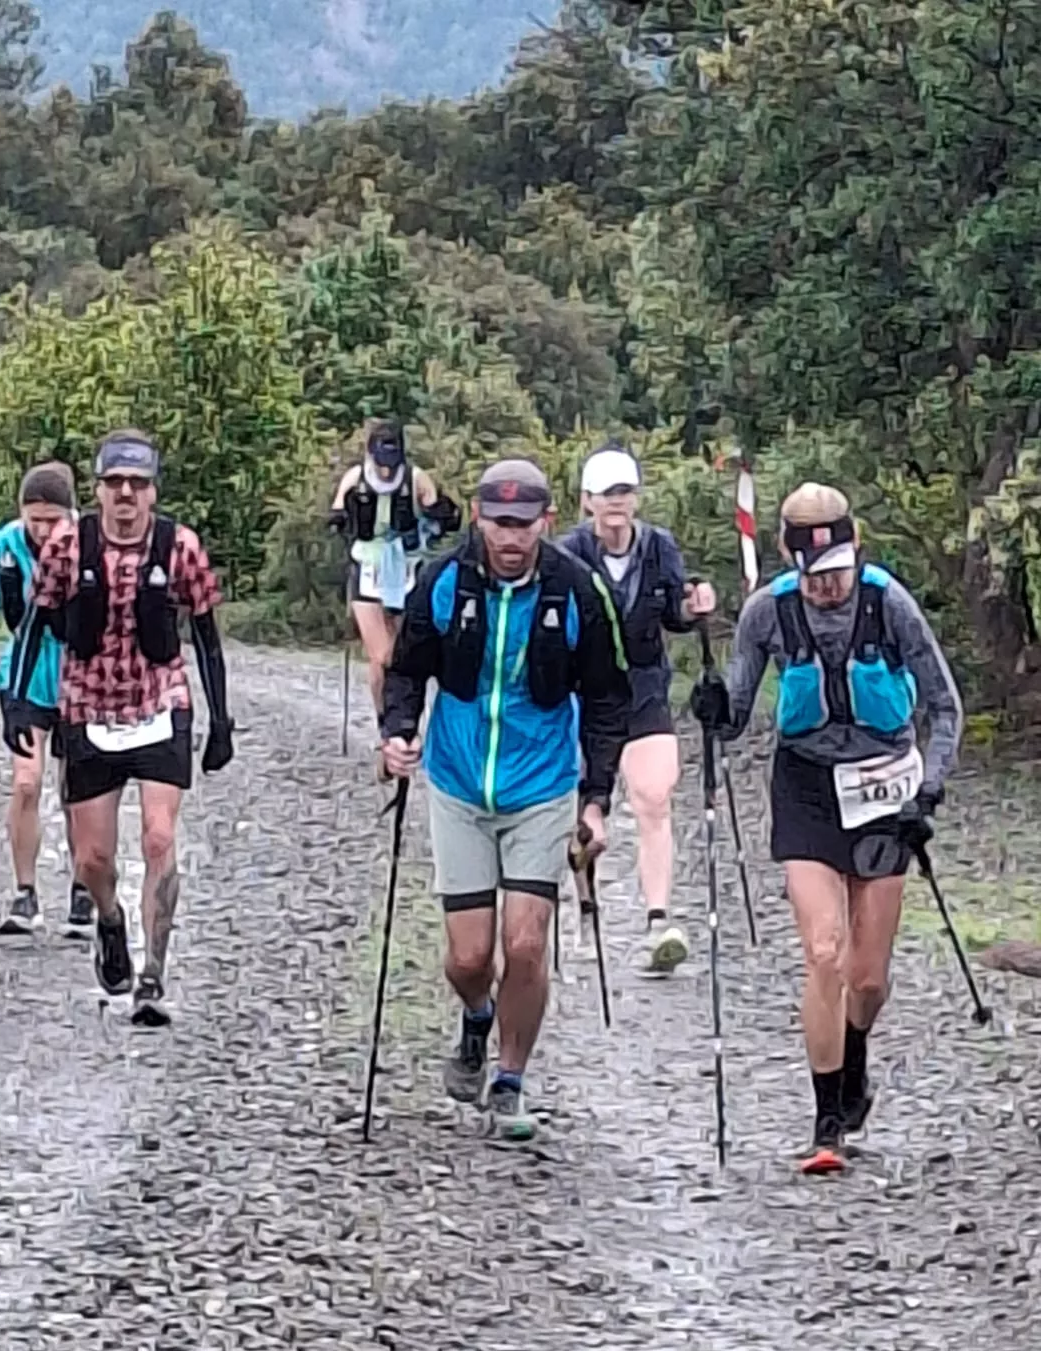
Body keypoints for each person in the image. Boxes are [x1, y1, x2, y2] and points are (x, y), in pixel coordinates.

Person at [691, 482, 963, 1175]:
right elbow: (736, 718)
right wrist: (713, 706)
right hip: (807, 786)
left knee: (867, 980)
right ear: (789, 560)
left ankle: (855, 1060)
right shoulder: (767, 613)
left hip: (886, 791)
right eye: (814, 576)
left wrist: (927, 791)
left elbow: (944, 706)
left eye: (838, 571)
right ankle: (826, 1122)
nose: (827, 588)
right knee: (824, 951)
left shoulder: (888, 603)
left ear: (856, 551)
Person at [380, 457, 631, 1140]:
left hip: (542, 786)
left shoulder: (575, 590)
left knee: (526, 943)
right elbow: (406, 671)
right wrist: (396, 734)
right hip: (458, 782)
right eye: (499, 523)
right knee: (469, 960)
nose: (511, 537)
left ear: (547, 522)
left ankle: (511, 1078)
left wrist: (596, 796)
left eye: (524, 525)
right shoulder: (444, 579)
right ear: (480, 519)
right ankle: (476, 1018)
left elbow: (610, 698)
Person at [4, 428, 235, 1027]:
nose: (126, 495)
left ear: (153, 492)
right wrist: (18, 705)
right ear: (99, 490)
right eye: (114, 484)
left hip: (161, 703)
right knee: (93, 859)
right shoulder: (65, 549)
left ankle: (153, 973)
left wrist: (221, 720)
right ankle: (110, 920)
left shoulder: (180, 547)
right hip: (87, 707)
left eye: (137, 484)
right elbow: (34, 626)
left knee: (159, 838)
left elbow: (207, 637)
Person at [559, 444, 716, 974]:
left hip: (647, 688)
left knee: (654, 797)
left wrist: (694, 609)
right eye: (606, 494)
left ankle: (657, 920)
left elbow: (674, 614)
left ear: (636, 498)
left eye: (624, 492)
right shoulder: (567, 554)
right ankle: (585, 908)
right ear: (587, 502)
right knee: (590, 824)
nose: (616, 503)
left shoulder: (659, 547)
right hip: (586, 694)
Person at [0, 461, 93, 938]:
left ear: (70, 514)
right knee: (26, 782)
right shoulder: (5, 545)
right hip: (24, 673)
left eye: (52, 520)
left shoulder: (90, 546)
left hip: (81, 674)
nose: (42, 529)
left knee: (78, 787)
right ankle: (25, 892)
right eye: (33, 519)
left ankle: (83, 889)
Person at [329, 419, 462, 720]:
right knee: (382, 657)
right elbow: (336, 510)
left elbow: (440, 513)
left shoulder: (416, 479)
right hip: (366, 568)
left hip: (406, 568)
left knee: (403, 656)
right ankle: (385, 723)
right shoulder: (356, 478)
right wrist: (340, 518)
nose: (386, 470)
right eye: (381, 463)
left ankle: (403, 719)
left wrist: (440, 512)